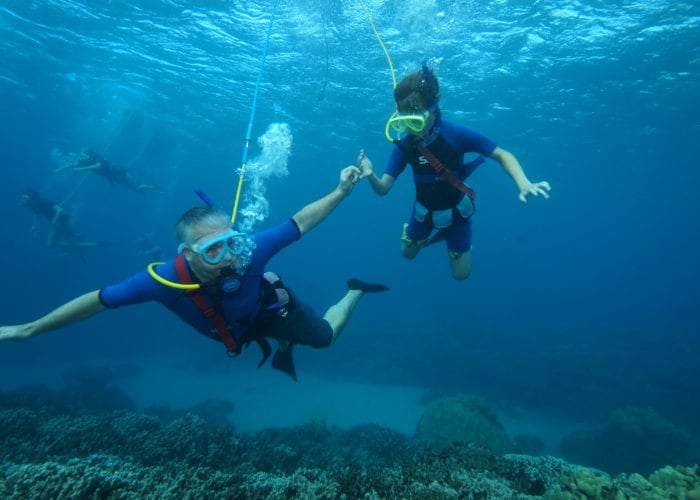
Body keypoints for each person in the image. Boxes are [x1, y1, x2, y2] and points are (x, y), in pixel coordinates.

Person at [2, 165, 388, 380]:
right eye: (212, 249)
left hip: (272, 308)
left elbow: (301, 221)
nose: (229, 257)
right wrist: (29, 329)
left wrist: (340, 191)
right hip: (239, 327)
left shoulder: (249, 254)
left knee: (326, 337)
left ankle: (354, 291)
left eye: (232, 242)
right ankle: (283, 343)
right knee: (260, 335)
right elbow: (97, 301)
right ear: (187, 252)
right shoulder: (161, 280)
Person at [358, 63, 551, 280]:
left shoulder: (455, 134)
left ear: (432, 112)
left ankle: (459, 242)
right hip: (423, 214)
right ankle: (429, 237)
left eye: (415, 121)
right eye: (404, 123)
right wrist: (370, 175)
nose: (410, 129)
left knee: (461, 275)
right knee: (407, 255)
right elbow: (383, 188)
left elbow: (502, 154)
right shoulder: (405, 145)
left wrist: (523, 183)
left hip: (458, 215)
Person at [18, 189, 108, 257]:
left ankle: (82, 245)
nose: (22, 200)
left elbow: (59, 210)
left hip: (61, 222)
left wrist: (54, 221)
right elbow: (36, 214)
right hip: (58, 224)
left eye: (24, 197)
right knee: (69, 243)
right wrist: (34, 226)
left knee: (52, 244)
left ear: (29, 196)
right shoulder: (33, 204)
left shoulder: (40, 201)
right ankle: (86, 243)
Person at [56, 148, 161, 194]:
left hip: (119, 173)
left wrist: (79, 169)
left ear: (88, 154)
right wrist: (61, 169)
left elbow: (98, 166)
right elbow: (72, 165)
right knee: (133, 187)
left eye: (83, 155)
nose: (80, 157)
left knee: (136, 186)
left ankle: (153, 187)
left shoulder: (97, 157)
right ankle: (145, 189)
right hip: (113, 177)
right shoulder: (86, 161)